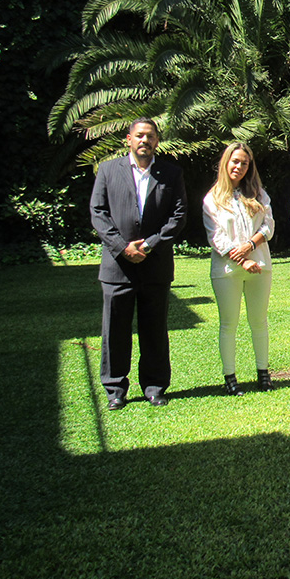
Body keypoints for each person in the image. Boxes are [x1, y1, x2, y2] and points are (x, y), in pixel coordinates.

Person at [90, 118, 187, 409]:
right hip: (117, 267)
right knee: (115, 330)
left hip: (155, 265)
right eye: (139, 135)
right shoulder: (108, 170)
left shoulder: (171, 173)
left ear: (157, 141)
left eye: (150, 136)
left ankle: (155, 386)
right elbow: (98, 212)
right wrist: (122, 247)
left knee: (154, 329)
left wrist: (149, 244)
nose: (144, 140)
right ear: (128, 139)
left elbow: (179, 215)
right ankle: (115, 389)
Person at [202, 142, 276, 396]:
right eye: (235, 162)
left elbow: (268, 226)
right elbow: (217, 238)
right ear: (226, 163)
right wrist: (243, 259)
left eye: (244, 163)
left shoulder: (258, 194)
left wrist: (249, 245)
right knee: (229, 323)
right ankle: (230, 376)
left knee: (259, 321)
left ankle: (263, 373)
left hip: (260, 266)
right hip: (228, 270)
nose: (239, 167)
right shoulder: (212, 199)